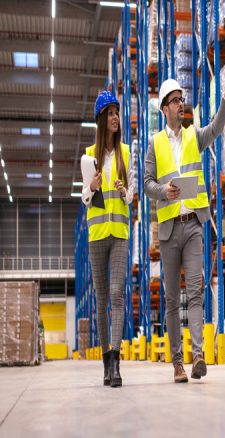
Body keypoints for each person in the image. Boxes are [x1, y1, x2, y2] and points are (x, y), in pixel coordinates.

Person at [144, 75, 225, 383]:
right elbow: (146, 183)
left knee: (196, 292)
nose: (181, 104)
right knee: (173, 300)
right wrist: (162, 192)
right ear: (164, 108)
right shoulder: (154, 144)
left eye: (182, 99)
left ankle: (198, 355)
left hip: (194, 225)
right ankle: (177, 364)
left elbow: (215, 130)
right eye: (175, 100)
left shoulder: (192, 136)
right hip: (169, 231)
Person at [80, 89, 136, 388]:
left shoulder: (127, 153)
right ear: (101, 119)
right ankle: (104, 363)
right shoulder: (89, 156)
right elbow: (85, 200)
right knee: (101, 300)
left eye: (117, 112)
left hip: (120, 235)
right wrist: (92, 186)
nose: (115, 118)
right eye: (110, 113)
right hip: (97, 235)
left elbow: (131, 197)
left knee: (117, 293)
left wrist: (124, 192)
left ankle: (116, 361)